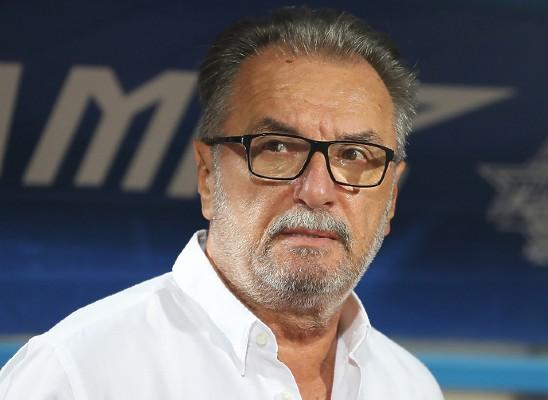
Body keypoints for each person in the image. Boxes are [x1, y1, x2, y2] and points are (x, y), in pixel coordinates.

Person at [0, 7, 443, 400]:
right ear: (207, 176)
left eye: (355, 155)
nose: (316, 190)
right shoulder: (80, 376)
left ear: (391, 198)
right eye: (277, 147)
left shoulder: (409, 386)